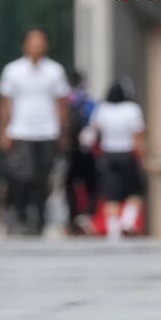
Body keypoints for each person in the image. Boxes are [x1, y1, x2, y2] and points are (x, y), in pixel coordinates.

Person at [0, 28, 69, 236]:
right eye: (33, 42)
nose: (37, 46)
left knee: (43, 177)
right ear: (25, 45)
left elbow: (61, 103)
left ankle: (39, 217)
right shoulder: (13, 71)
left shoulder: (55, 71)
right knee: (22, 175)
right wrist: (3, 132)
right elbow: (5, 103)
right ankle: (19, 213)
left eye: (41, 42)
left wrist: (62, 132)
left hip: (47, 131)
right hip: (21, 131)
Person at [86, 79, 145, 240]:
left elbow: (93, 132)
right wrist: (141, 157)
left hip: (108, 154)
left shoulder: (102, 109)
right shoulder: (133, 110)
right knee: (134, 190)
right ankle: (127, 221)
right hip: (127, 153)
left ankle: (113, 229)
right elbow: (138, 136)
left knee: (111, 193)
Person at [64, 69, 98, 235]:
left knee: (69, 185)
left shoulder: (66, 101)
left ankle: (73, 218)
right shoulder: (88, 101)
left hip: (70, 150)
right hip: (87, 149)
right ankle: (87, 216)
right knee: (91, 185)